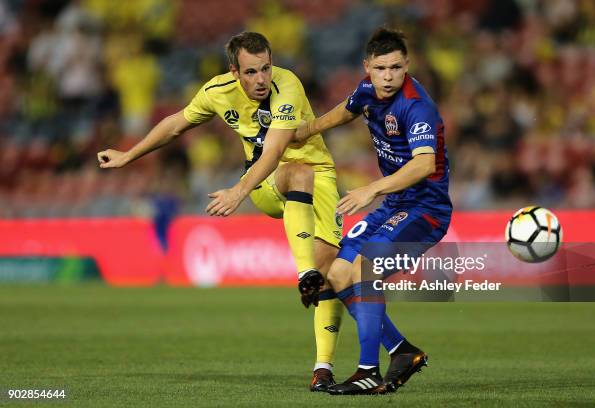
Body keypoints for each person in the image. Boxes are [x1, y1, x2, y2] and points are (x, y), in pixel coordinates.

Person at [97, 32, 344, 392]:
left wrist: (236, 191)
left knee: (332, 274)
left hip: (320, 177)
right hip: (265, 181)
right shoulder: (217, 91)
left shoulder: (287, 85)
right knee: (297, 174)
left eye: (265, 68)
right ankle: (304, 269)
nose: (261, 79)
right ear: (234, 71)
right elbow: (176, 123)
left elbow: (275, 147)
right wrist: (128, 155)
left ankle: (323, 369)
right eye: (251, 72)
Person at [295, 27, 452, 395]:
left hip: (424, 211)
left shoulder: (416, 106)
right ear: (368, 67)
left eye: (396, 68)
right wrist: (307, 130)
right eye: (381, 68)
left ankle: (368, 370)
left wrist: (371, 189)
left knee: (364, 268)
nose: (388, 76)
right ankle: (401, 351)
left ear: (406, 66)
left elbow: (424, 164)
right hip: (395, 204)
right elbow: (345, 112)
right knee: (335, 273)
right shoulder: (367, 89)